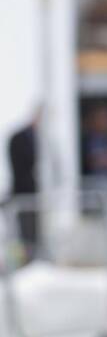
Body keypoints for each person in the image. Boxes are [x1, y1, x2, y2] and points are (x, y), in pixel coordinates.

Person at [7, 108, 40, 258]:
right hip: (24, 193)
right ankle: (26, 258)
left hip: (31, 194)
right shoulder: (20, 138)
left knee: (31, 233)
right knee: (24, 233)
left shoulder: (35, 137)